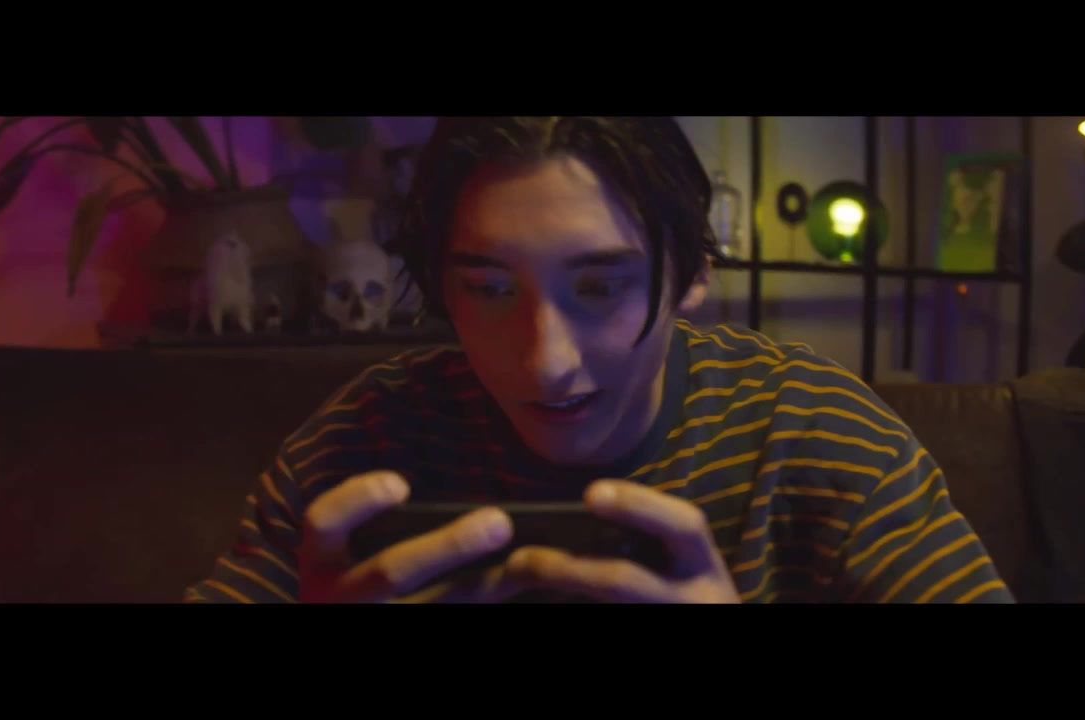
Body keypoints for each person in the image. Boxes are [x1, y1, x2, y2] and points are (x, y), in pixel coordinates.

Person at [184, 117, 1013, 604]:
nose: (546, 365)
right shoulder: (361, 440)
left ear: (693, 273)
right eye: (490, 290)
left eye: (601, 287)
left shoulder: (815, 432)